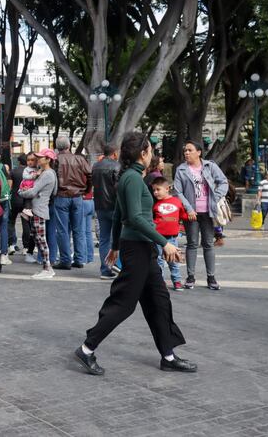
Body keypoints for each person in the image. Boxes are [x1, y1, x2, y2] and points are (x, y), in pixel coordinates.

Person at [74, 132, 196, 377]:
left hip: (140, 248)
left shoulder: (131, 178)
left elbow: (119, 214)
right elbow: (134, 217)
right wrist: (165, 243)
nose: (152, 153)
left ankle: (168, 355)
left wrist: (115, 247)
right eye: (150, 149)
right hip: (138, 250)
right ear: (143, 153)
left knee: (159, 301)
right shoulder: (132, 179)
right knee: (124, 303)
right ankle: (87, 349)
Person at [173, 140, 229, 291]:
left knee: (208, 244)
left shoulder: (210, 166)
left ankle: (211, 277)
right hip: (191, 214)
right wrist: (189, 209)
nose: (186, 153)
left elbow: (223, 182)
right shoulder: (181, 170)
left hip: (209, 212)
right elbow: (178, 192)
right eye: (185, 150)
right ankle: (190, 277)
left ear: (199, 152)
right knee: (191, 244)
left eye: (190, 150)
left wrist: (215, 197)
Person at [18, 149, 58, 279]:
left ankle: (48, 268)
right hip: (39, 208)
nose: (38, 159)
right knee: (37, 238)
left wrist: (21, 192)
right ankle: (47, 267)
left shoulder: (47, 174)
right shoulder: (49, 173)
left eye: (41, 157)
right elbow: (54, 191)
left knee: (41, 240)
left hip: (39, 209)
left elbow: (32, 191)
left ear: (48, 160)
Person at [53, 136, 92, 269]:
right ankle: (79, 259)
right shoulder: (80, 159)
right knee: (78, 229)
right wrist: (87, 189)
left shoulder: (56, 159)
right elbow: (90, 174)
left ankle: (65, 260)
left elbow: (53, 177)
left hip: (62, 196)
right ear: (69, 146)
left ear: (58, 147)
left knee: (62, 230)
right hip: (77, 196)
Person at [150, 176, 186, 291]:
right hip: (158, 237)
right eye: (154, 190)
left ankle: (177, 281)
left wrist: (191, 216)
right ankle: (160, 282)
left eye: (158, 189)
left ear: (167, 188)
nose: (155, 192)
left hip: (172, 238)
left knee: (173, 260)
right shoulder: (155, 204)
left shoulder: (177, 202)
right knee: (159, 261)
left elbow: (183, 215)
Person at [92, 145, 120, 280]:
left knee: (104, 239)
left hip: (100, 205)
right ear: (114, 153)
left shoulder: (96, 166)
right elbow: (118, 187)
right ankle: (116, 266)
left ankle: (105, 269)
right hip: (114, 206)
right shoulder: (116, 166)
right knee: (117, 238)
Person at [15, 153, 39, 262]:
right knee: (30, 228)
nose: (30, 162)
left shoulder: (39, 169)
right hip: (27, 192)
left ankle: (30, 249)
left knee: (33, 229)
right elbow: (25, 178)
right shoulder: (27, 170)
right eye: (28, 160)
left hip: (35, 201)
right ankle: (28, 249)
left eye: (32, 160)